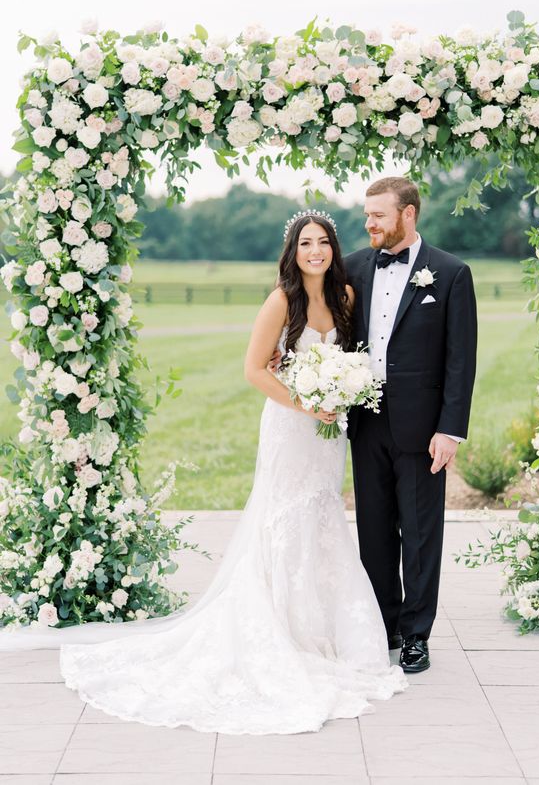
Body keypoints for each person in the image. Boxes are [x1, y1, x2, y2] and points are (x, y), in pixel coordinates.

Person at [52, 209, 407, 734]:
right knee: (285, 515)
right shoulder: (281, 300)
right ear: (293, 252)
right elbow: (253, 370)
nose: (315, 251)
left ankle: (328, 627)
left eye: (323, 243)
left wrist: (341, 390)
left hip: (329, 432)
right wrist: (307, 403)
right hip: (291, 425)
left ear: (334, 249)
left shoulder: (345, 298)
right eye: (305, 243)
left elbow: (351, 358)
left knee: (323, 512)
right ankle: (282, 626)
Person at [345, 177, 477, 673]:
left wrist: (450, 429)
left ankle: (417, 635)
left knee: (421, 534)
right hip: (365, 419)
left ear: (408, 214)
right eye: (367, 214)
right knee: (374, 530)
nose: (370, 223)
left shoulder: (451, 273)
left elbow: (461, 359)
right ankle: (386, 625)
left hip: (424, 428)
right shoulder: (353, 268)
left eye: (378, 215)